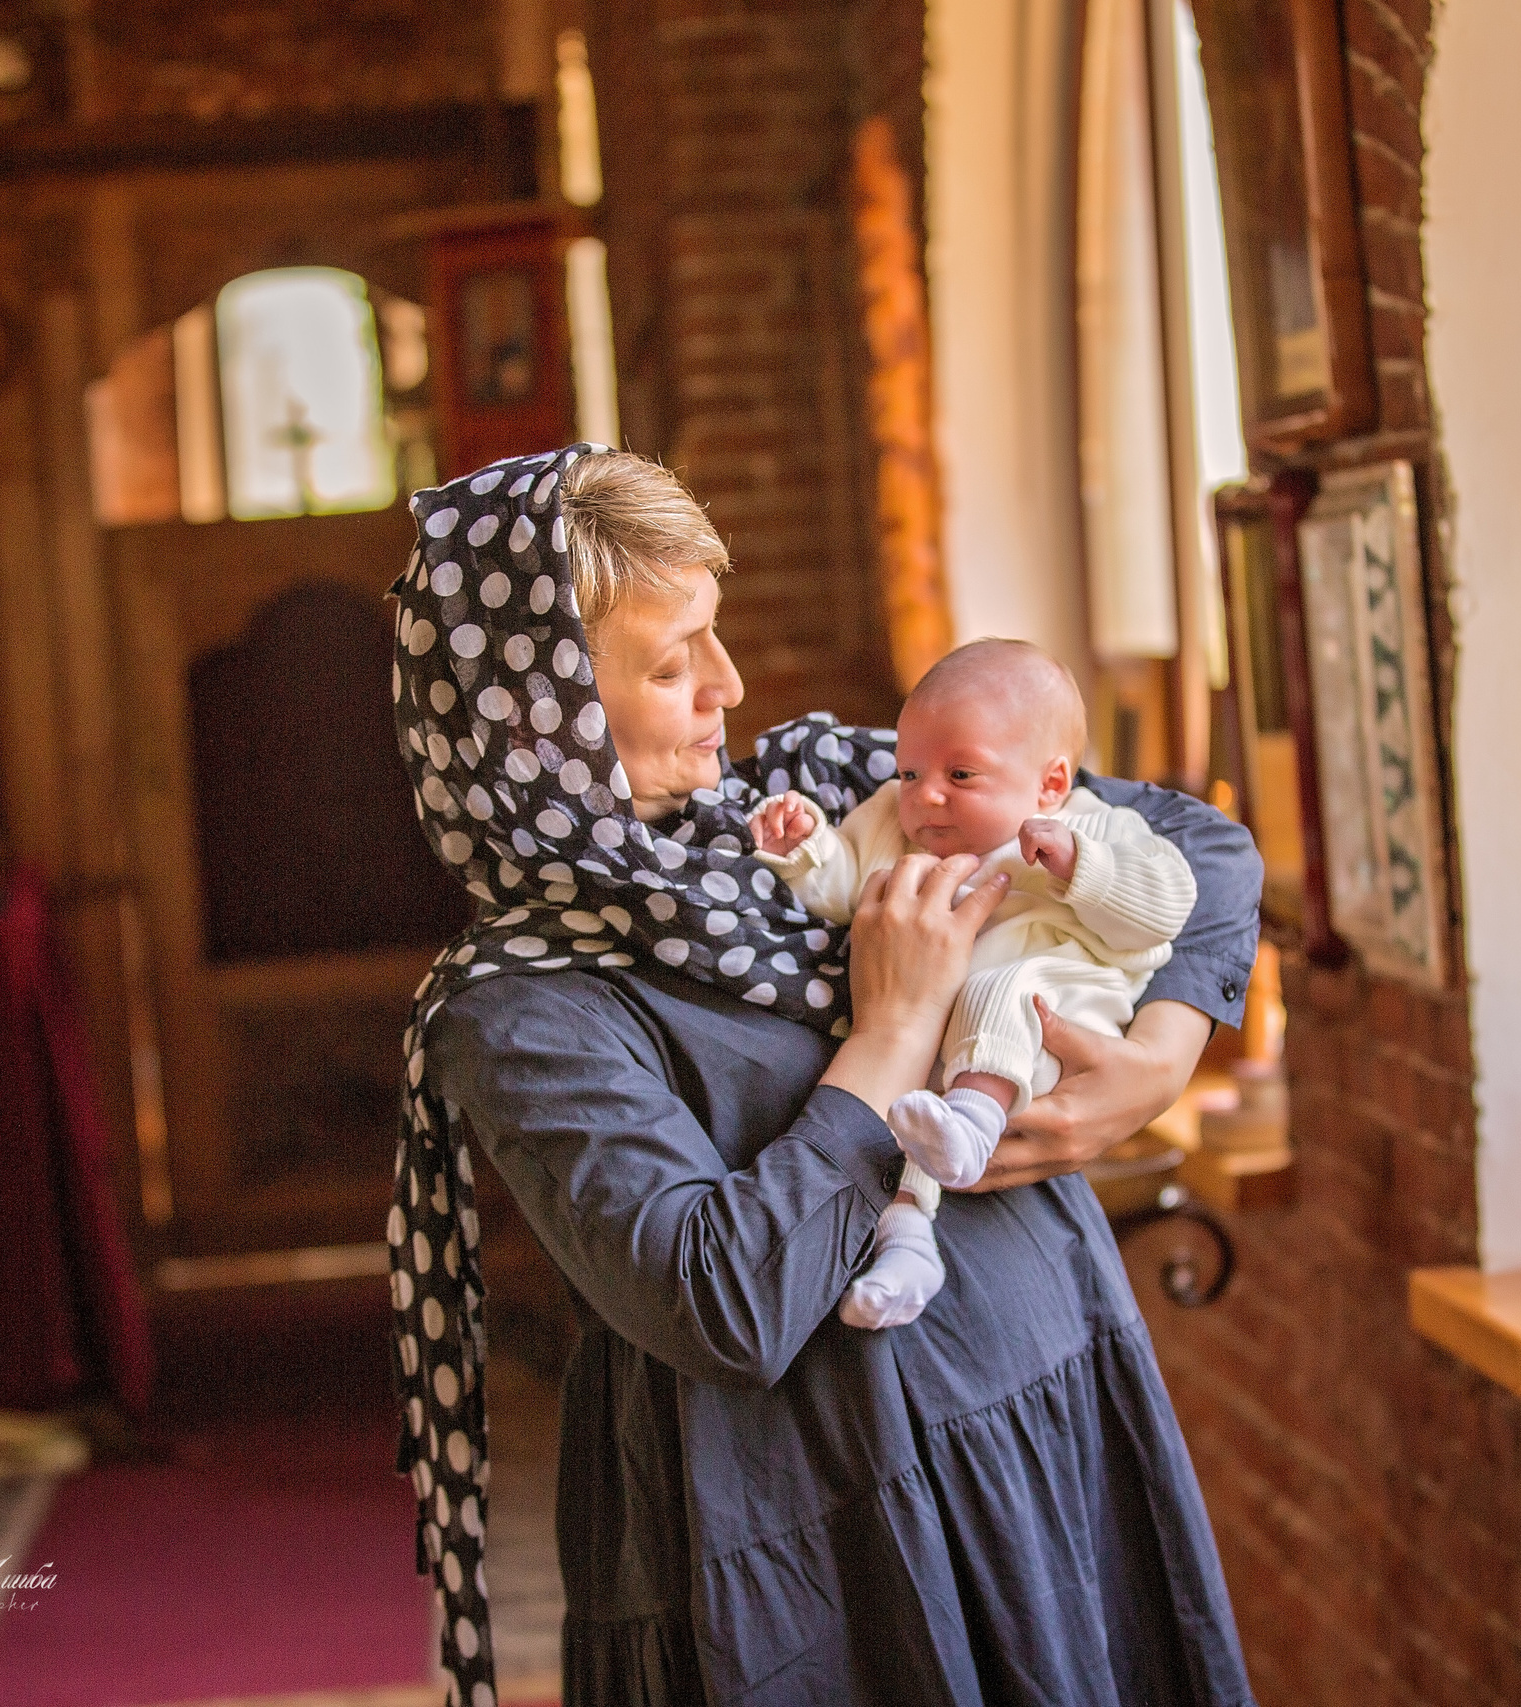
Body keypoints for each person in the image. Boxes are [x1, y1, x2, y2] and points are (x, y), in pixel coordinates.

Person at [390, 445, 1260, 1707]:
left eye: (716, 636)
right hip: (814, 1544)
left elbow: (1195, 845)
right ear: (540, 719)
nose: (727, 688)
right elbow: (722, 1304)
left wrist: (1159, 1063)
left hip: (1045, 1426)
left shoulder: (813, 788)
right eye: (672, 661)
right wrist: (893, 1031)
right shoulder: (523, 1011)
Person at [747, 639, 1197, 1328]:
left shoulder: (1094, 827)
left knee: (998, 991)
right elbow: (850, 889)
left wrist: (1086, 867)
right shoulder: (895, 824)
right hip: (938, 1030)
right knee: (894, 1095)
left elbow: (1169, 903)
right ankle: (906, 1245)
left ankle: (974, 1121)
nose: (925, 794)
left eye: (960, 773)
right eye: (909, 771)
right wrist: (808, 849)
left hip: (1052, 1012)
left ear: (1048, 785)